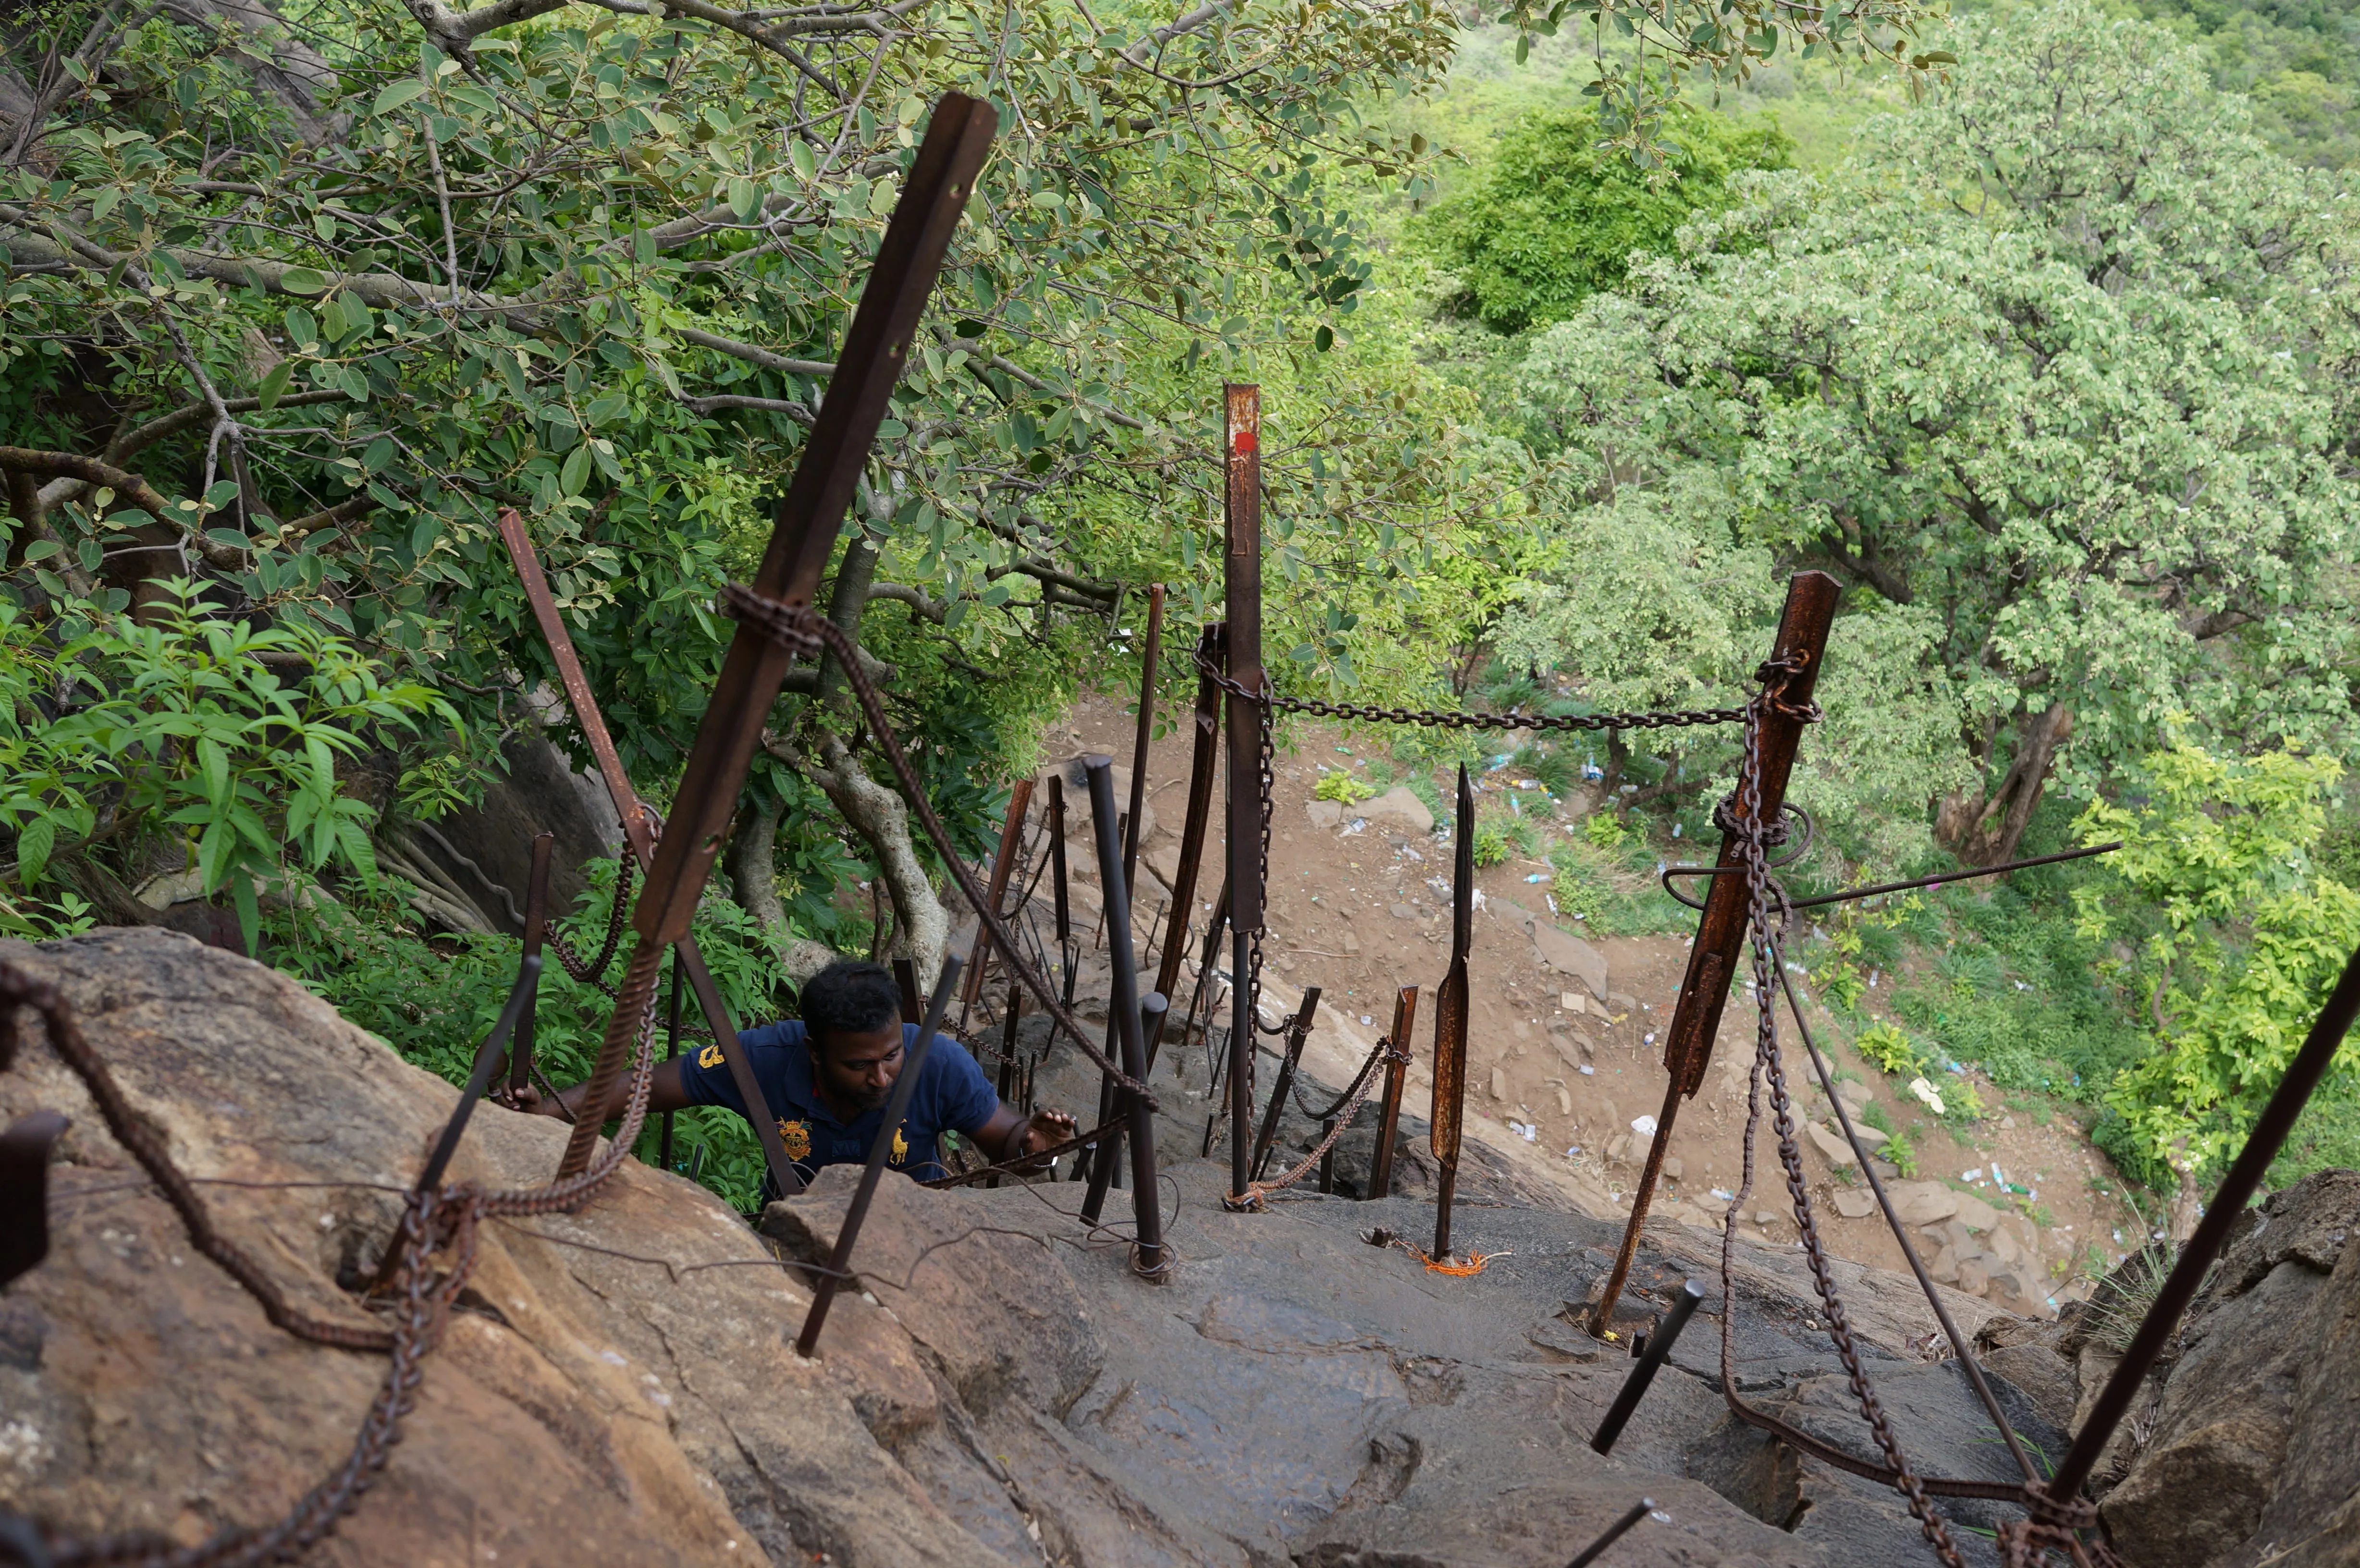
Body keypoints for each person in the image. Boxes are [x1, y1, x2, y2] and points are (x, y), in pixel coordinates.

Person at [518, 959, 1075, 1189]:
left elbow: (1005, 1141)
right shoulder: (761, 1058)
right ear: (813, 1050)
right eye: (857, 1066)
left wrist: (1034, 1144)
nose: (880, 1079)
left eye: (889, 1058)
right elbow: (644, 1087)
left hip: (911, 1236)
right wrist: (541, 1115)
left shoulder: (939, 1062)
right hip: (790, 1231)